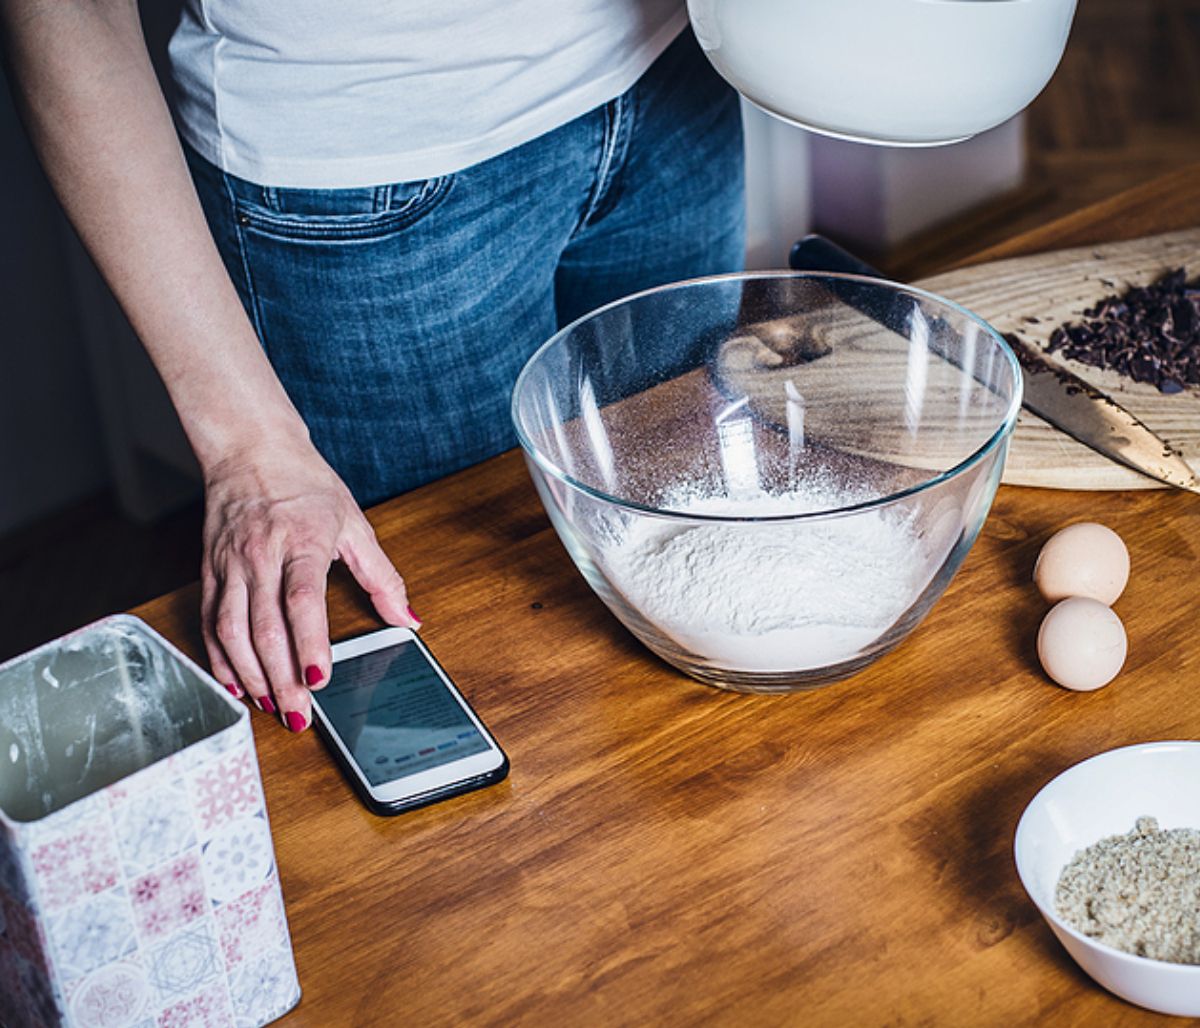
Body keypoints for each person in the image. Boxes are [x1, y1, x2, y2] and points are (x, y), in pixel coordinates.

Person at [0, 1, 745, 730]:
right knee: (467, 669)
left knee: (710, 567)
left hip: (681, 78)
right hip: (366, 180)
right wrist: (248, 450)